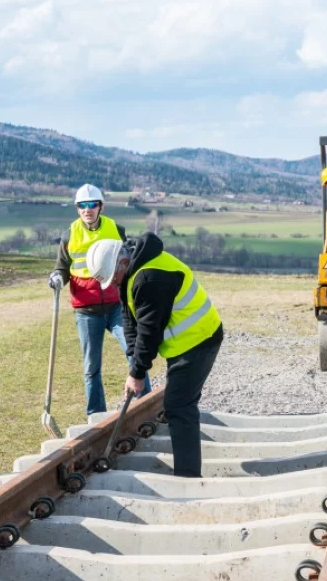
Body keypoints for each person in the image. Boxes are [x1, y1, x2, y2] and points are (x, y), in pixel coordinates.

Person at [86, 233, 223, 478]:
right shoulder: (132, 271)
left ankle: (188, 477)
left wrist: (138, 372)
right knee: (179, 403)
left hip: (199, 340)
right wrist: (133, 363)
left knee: (179, 406)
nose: (114, 284)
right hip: (182, 344)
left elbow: (150, 332)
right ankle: (188, 471)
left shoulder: (149, 277)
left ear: (123, 263)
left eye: (114, 278)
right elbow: (129, 319)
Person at [48, 184, 150, 415]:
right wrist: (56, 278)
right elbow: (62, 267)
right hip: (86, 310)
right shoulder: (69, 235)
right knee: (91, 368)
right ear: (77, 209)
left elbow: (129, 261)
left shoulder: (116, 229)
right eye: (82, 206)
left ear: (101, 206)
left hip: (117, 305)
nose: (87, 210)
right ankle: (96, 416)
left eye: (92, 205)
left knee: (135, 353)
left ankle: (147, 405)